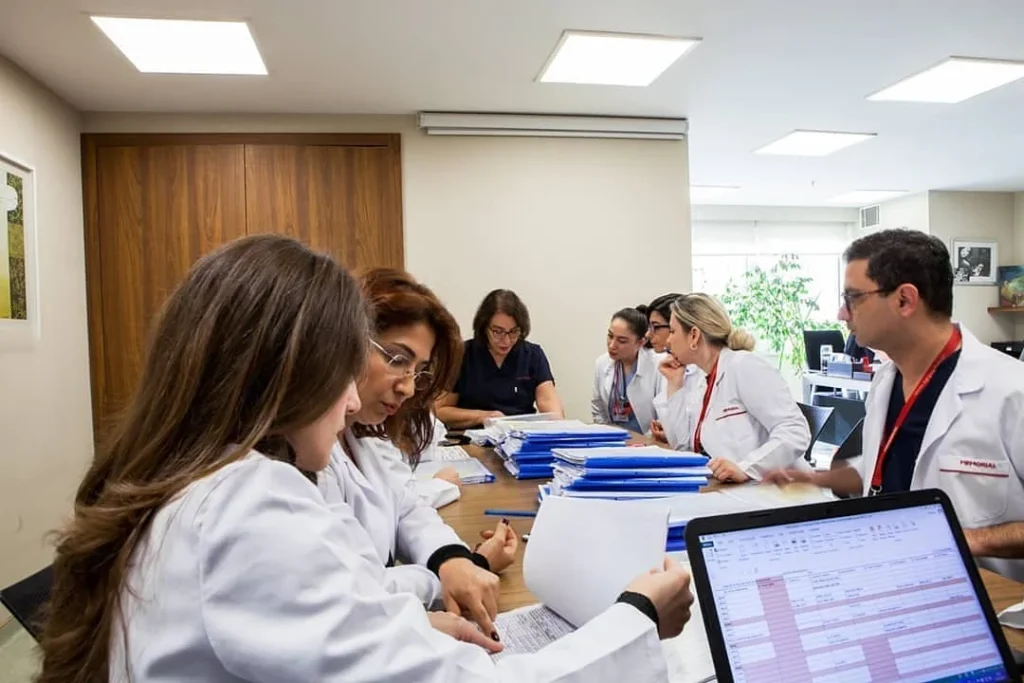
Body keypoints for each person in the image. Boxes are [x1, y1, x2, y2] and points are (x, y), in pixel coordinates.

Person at [38, 235, 695, 682]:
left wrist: (429, 586)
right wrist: (634, 616)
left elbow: (351, 584)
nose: (354, 395)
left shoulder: (207, 484)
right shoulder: (247, 507)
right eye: (344, 369)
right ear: (286, 371)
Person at [765, 229, 1024, 581]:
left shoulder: (1010, 391)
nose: (842, 313)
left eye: (853, 297)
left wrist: (966, 539)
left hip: (991, 598)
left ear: (904, 300)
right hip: (897, 582)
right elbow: (882, 469)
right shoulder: (886, 381)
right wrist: (814, 478)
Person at [319, 268, 516, 627]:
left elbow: (408, 507)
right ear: (347, 341)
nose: (408, 388)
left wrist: (453, 559)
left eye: (418, 370)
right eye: (397, 359)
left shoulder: (364, 435)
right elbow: (359, 591)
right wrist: (464, 571)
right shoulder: (308, 455)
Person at [654, 293, 810, 483]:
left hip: (784, 493)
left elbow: (795, 431)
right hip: (741, 493)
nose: (668, 341)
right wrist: (674, 384)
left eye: (672, 331)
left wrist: (747, 468)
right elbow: (683, 446)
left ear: (694, 335)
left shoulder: (744, 366)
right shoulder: (702, 379)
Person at [436, 289, 564, 428]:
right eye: (498, 332)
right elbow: (440, 410)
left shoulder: (533, 355)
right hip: (473, 437)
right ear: (484, 327)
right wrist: (484, 416)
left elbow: (551, 406)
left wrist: (559, 428)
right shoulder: (463, 354)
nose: (506, 340)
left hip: (519, 436)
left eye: (513, 332)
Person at [591, 307, 665, 434]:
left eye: (622, 340)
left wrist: (644, 441)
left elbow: (663, 415)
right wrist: (606, 436)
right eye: (610, 336)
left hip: (649, 442)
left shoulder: (658, 365)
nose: (612, 345)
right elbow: (598, 409)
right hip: (612, 441)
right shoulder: (602, 363)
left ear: (641, 342)